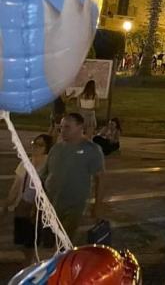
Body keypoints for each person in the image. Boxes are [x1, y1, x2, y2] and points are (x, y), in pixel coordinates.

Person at [43, 113, 105, 241]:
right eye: (61, 127)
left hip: (74, 205)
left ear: (80, 127)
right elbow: (45, 174)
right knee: (47, 239)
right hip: (51, 203)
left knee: (64, 240)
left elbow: (101, 179)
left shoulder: (91, 150)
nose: (62, 131)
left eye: (67, 127)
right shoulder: (56, 148)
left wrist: (97, 206)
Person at [4, 134, 54, 264]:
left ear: (47, 148)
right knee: (22, 241)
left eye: (40, 145)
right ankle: (32, 261)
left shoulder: (49, 165)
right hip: (22, 206)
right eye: (34, 143)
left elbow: (50, 188)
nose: (35, 147)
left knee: (33, 241)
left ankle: (33, 263)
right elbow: (16, 186)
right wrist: (7, 204)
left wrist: (39, 207)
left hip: (38, 209)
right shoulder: (25, 162)